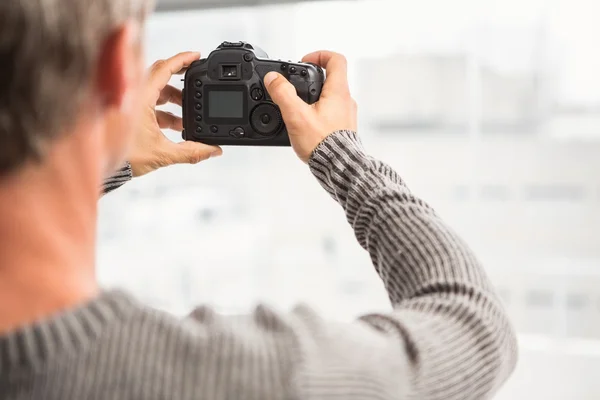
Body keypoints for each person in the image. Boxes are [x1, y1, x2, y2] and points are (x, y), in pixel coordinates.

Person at [0, 1, 517, 399]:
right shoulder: (246, 376)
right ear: (117, 71)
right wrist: (341, 157)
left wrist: (98, 152)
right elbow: (476, 330)